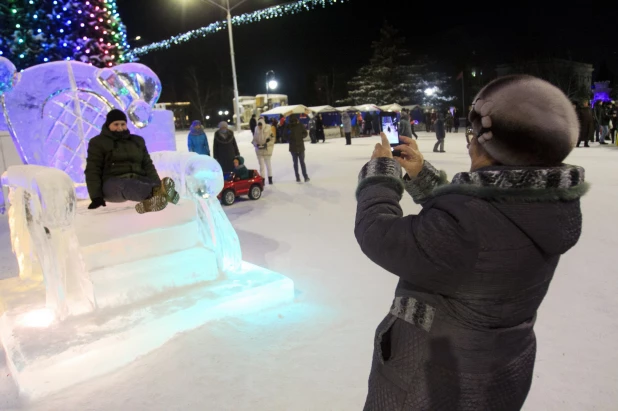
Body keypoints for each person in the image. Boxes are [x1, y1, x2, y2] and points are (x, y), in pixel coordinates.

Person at [355, 75, 586, 411]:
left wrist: (380, 175)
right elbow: (476, 221)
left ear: (494, 148)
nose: (468, 143)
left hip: (429, 385)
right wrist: (422, 175)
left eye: (475, 135)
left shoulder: (469, 228)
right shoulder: (546, 204)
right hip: (498, 374)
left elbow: (378, 235)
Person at [85, 109, 179, 214]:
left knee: (146, 184)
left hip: (137, 178)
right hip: (111, 184)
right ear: (108, 125)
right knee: (128, 184)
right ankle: (158, 196)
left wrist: (157, 183)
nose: (120, 128)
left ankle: (159, 197)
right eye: (116, 124)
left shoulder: (137, 141)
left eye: (123, 124)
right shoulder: (98, 143)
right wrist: (96, 197)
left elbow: (147, 165)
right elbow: (93, 170)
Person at [287, 115, 310, 183]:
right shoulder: (291, 126)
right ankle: (304, 177)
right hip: (297, 147)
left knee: (297, 163)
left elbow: (305, 133)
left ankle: (300, 177)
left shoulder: (291, 126)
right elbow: (305, 133)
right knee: (300, 163)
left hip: (297, 147)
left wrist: (300, 136)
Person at [252, 118, 275, 184]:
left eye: (261, 125)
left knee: (268, 165)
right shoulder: (256, 130)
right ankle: (262, 180)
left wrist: (266, 144)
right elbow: (254, 140)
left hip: (267, 151)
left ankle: (270, 179)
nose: (260, 127)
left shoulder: (268, 129)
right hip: (259, 152)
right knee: (261, 166)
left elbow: (272, 139)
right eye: (259, 125)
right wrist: (256, 144)